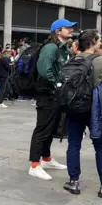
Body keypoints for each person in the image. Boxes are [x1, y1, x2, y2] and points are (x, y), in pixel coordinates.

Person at [63, 29, 102, 197]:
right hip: (96, 109)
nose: (100, 43)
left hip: (74, 108)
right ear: (93, 40)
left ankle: (74, 182)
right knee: (101, 147)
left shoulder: (72, 60)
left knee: (73, 145)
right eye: (99, 40)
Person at [27, 19, 74, 181]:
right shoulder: (51, 48)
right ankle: (34, 165)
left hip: (54, 94)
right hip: (47, 94)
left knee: (50, 128)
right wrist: (58, 84)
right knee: (42, 129)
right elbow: (44, 70)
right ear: (57, 31)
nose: (71, 30)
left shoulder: (62, 48)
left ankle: (46, 159)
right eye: (67, 28)